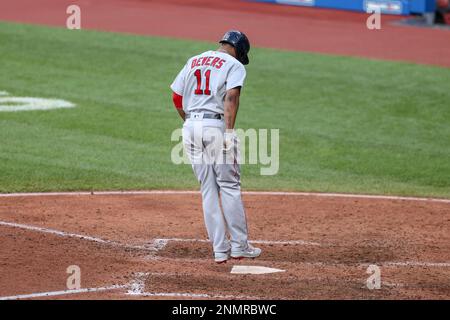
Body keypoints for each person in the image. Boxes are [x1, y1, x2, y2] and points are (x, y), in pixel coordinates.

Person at [170, 30, 261, 264]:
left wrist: (192, 124)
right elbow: (231, 98)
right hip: (216, 126)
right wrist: (229, 132)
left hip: (190, 126)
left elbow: (176, 98)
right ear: (239, 50)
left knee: (208, 189)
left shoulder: (194, 60)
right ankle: (240, 246)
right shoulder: (234, 65)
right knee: (229, 185)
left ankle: (220, 250)